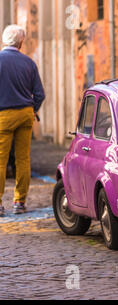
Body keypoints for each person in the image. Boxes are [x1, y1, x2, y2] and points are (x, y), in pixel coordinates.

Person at [0, 25, 45, 216]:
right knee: (23, 159)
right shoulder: (29, 62)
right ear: (20, 42)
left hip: (3, 115)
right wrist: (33, 109)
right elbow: (39, 94)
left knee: (0, 161)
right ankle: (20, 201)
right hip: (26, 113)